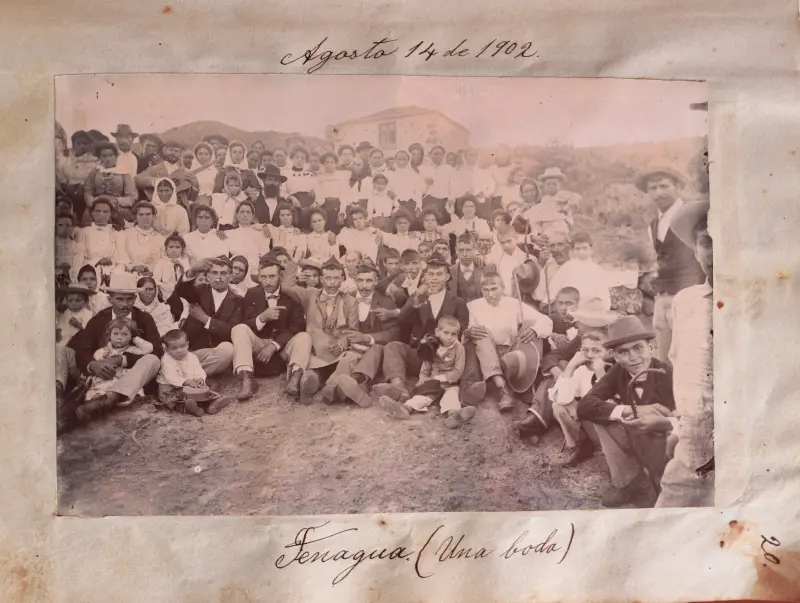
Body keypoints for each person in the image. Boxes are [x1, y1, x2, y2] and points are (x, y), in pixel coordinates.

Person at [642, 200, 714, 508]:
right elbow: (684, 374)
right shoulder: (686, 302)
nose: (715, 253)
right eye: (706, 243)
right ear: (695, 250)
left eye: (726, 241)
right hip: (690, 454)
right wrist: (679, 430)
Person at [576, 316, 675, 508]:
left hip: (668, 440)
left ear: (651, 346)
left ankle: (662, 487)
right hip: (636, 436)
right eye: (623, 352)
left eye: (638, 348)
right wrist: (631, 410)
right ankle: (630, 481)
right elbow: (584, 406)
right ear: (615, 356)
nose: (633, 357)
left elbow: (691, 420)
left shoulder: (668, 372)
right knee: (602, 416)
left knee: (664, 493)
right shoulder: (618, 372)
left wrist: (663, 421)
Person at [373, 255, 469, 402]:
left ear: (447, 277)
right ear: (425, 277)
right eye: (431, 274)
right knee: (393, 347)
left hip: (443, 361)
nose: (434, 278)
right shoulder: (417, 296)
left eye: (439, 274)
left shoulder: (458, 302)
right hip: (420, 355)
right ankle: (398, 387)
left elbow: (460, 331)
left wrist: (438, 344)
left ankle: (411, 393)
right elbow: (402, 319)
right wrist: (416, 300)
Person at [635, 163, 705, 361]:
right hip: (663, 297)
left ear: (677, 186)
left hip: (690, 294)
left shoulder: (694, 215)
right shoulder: (653, 224)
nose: (658, 192)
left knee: (690, 355)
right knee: (663, 357)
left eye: (664, 186)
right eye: (653, 188)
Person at [461, 271, 553, 411]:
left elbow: (545, 320)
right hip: (482, 354)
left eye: (494, 289)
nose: (490, 294)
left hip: (509, 352)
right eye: (485, 290)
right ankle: (503, 388)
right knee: (481, 333)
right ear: (481, 290)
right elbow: (462, 331)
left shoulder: (514, 304)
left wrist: (535, 330)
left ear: (503, 287)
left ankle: (511, 384)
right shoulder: (472, 306)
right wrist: (468, 332)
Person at [314, 259, 400, 406]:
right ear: (354, 280)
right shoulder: (346, 298)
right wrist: (341, 343)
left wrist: (367, 337)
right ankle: (351, 389)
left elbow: (394, 332)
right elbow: (339, 328)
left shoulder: (386, 301)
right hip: (351, 350)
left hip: (375, 352)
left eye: (369, 281)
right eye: (360, 280)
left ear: (376, 281)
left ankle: (336, 387)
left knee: (375, 350)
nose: (364, 285)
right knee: (347, 359)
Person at [230, 257, 310, 400]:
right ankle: (246, 378)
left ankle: (295, 378)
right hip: (258, 344)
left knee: (304, 337)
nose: (267, 281)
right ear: (259, 278)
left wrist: (274, 345)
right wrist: (262, 318)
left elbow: (297, 326)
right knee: (239, 329)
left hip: (283, 347)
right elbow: (245, 322)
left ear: (280, 276)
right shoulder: (252, 293)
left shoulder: (291, 295)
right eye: (264, 277)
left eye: (272, 276)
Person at [281, 257, 359, 403]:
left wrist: (342, 344)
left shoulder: (350, 301)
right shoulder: (310, 294)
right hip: (315, 349)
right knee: (309, 359)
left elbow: (352, 330)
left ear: (343, 279)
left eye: (336, 278)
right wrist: (295, 263)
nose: (332, 283)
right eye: (328, 278)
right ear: (322, 279)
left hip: (336, 351)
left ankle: (319, 383)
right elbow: (285, 287)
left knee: (348, 359)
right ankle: (308, 382)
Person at [378, 314, 475, 429]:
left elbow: (458, 371)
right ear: (437, 332)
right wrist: (423, 382)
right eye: (446, 333)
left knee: (451, 397)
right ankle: (404, 409)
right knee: (421, 397)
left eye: (453, 334)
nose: (449, 337)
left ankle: (453, 417)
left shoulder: (459, 348)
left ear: (457, 334)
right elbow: (425, 369)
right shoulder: (431, 346)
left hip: (450, 383)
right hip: (432, 383)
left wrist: (441, 378)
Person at [167, 257, 241, 379]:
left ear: (230, 277)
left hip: (215, 353)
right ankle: (196, 377)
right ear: (208, 276)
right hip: (191, 351)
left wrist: (205, 319)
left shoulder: (238, 301)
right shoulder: (200, 291)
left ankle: (190, 377)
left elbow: (231, 330)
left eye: (223, 273)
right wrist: (193, 270)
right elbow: (181, 289)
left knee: (228, 350)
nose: (219, 277)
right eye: (214, 273)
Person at [549, 330, 609, 466]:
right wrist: (571, 366)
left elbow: (609, 407)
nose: (590, 355)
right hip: (593, 425)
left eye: (596, 351)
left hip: (612, 429)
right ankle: (584, 444)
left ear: (609, 352)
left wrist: (600, 373)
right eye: (585, 350)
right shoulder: (583, 370)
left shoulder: (615, 369)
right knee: (559, 406)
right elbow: (560, 398)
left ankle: (602, 449)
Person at [78, 316, 154, 421]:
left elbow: (149, 348)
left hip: (124, 381)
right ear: (109, 335)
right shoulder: (102, 351)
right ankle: (99, 405)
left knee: (133, 390)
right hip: (107, 380)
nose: (119, 337)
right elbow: (97, 366)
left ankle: (121, 405)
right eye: (115, 334)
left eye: (125, 334)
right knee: (100, 390)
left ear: (131, 336)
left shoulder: (133, 350)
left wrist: (135, 338)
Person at [156, 329, 229, 417]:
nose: (179, 350)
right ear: (167, 349)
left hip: (190, 386)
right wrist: (186, 382)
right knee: (174, 399)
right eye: (174, 348)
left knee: (206, 386)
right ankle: (189, 407)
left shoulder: (192, 357)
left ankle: (212, 404)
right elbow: (171, 377)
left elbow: (198, 369)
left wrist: (199, 378)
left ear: (188, 344)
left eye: (182, 346)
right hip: (171, 388)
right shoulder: (166, 360)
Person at [547, 231, 612, 309]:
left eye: (585, 248)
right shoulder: (566, 267)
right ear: (573, 250)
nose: (581, 252)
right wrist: (547, 302)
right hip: (567, 308)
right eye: (578, 249)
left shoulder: (597, 270)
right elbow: (554, 288)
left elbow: (603, 296)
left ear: (591, 249)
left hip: (589, 309)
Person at [71, 196, 125, 281]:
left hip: (111, 275)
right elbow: (78, 259)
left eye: (105, 211)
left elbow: (121, 260)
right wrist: (97, 261)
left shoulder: (117, 234)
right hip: (89, 274)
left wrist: (113, 274)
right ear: (92, 213)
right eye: (98, 211)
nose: (101, 214)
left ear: (110, 214)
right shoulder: (83, 232)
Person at [83, 141, 136, 226]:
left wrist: (116, 200)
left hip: (118, 206)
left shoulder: (124, 172)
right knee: (88, 215)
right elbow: (87, 191)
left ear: (116, 156)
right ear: (100, 157)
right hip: (97, 204)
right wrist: (93, 201)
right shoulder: (95, 172)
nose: (108, 159)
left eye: (111, 155)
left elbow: (131, 197)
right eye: (104, 156)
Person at [225, 200, 272, 277]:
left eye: (248, 212)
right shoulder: (229, 234)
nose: (245, 215)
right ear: (237, 215)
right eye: (242, 212)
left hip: (254, 273)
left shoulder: (261, 234)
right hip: (235, 273)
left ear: (253, 215)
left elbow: (266, 258)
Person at [118, 201, 165, 276]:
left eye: (148, 214)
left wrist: (153, 272)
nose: (144, 218)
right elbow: (121, 256)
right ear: (135, 216)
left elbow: (163, 261)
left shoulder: (160, 238)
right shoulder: (125, 234)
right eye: (141, 214)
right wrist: (132, 267)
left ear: (153, 216)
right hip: (128, 275)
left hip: (152, 277)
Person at [451, 148, 496, 218]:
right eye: (470, 155)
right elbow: (454, 187)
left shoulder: (483, 172)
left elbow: (491, 185)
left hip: (480, 201)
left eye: (474, 155)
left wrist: (483, 192)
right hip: (464, 202)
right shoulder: (459, 173)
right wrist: (464, 193)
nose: (472, 157)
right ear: (465, 157)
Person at [485, 226, 528, 297]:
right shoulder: (496, 259)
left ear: (516, 238)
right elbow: (484, 259)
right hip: (502, 298)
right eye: (502, 243)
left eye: (509, 241)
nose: (506, 245)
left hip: (521, 299)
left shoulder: (526, 258)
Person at [420, 145, 454, 225]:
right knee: (430, 223)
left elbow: (453, 186)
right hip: (429, 200)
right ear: (430, 155)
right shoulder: (424, 168)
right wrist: (426, 183)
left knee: (444, 223)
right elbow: (420, 188)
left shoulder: (449, 169)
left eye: (440, 154)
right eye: (435, 154)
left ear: (443, 156)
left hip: (445, 201)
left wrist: (451, 198)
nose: (438, 156)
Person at [316, 152, 349, 233]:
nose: (329, 164)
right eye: (327, 162)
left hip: (336, 206)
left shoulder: (341, 177)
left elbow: (343, 195)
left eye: (332, 162)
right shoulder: (319, 177)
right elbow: (317, 193)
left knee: (336, 230)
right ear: (323, 164)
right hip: (323, 206)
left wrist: (342, 211)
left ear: (335, 164)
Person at [386, 150, 426, 217]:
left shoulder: (414, 175)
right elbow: (389, 192)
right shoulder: (390, 176)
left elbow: (418, 192)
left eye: (404, 159)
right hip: (396, 205)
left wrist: (418, 206)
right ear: (395, 160)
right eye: (399, 159)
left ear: (408, 160)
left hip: (411, 205)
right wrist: (397, 205)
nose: (402, 162)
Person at [151, 233, 191, 299]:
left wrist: (181, 267)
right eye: (171, 247)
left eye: (177, 247)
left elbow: (188, 280)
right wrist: (166, 288)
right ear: (166, 249)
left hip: (183, 294)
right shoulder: (161, 262)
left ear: (182, 249)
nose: (174, 250)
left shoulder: (185, 261)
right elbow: (156, 280)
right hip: (166, 294)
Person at [448, 233, 484, 303]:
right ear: (456, 250)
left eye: (468, 250)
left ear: (474, 250)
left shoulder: (483, 269)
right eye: (461, 250)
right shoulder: (450, 271)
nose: (464, 254)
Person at [55, 211, 78, 287]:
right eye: (60, 225)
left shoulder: (75, 246)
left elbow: (77, 265)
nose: (64, 228)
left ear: (73, 227)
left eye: (68, 225)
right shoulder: (51, 243)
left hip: (70, 278)